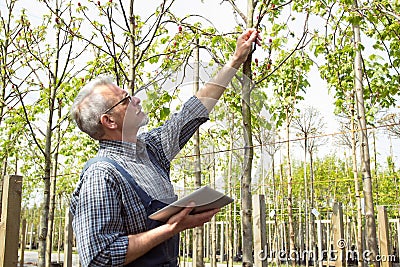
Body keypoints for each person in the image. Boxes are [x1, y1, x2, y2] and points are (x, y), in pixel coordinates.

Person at [69, 28, 261, 267]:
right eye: (126, 99)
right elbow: (99, 256)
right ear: (109, 121)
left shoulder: (151, 151)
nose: (137, 100)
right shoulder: (101, 176)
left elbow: (192, 112)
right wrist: (171, 228)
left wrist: (235, 60)